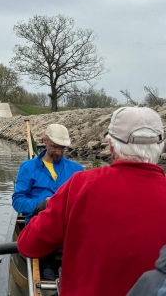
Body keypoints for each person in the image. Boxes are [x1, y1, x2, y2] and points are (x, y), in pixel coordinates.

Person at [18, 107, 166, 296]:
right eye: (56, 146)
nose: (59, 151)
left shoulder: (81, 181)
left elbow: (28, 245)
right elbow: (20, 201)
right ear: (160, 148)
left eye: (62, 147)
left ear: (111, 146)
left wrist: (49, 207)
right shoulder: (41, 170)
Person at [12, 124, 83, 223]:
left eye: (62, 148)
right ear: (45, 140)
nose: (58, 152)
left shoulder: (77, 169)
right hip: (38, 226)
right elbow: (18, 203)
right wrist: (44, 203)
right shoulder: (27, 168)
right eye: (54, 147)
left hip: (66, 227)